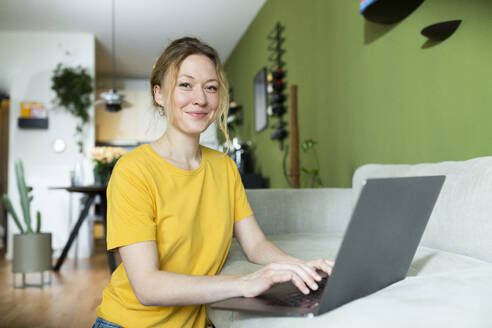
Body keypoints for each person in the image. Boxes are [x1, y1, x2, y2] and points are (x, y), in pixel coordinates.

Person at [93, 37, 334, 328]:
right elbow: (147, 287)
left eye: (211, 87)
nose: (201, 98)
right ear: (159, 94)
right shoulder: (133, 171)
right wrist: (243, 283)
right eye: (186, 85)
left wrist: (298, 266)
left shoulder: (224, 167)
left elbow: (255, 244)